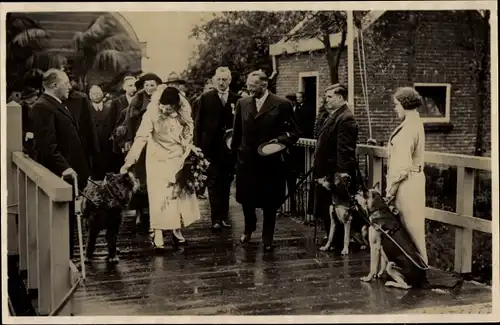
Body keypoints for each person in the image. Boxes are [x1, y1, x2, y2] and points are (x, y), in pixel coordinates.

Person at [120, 85, 201, 249]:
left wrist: (187, 147)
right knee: (159, 194)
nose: (164, 110)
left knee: (177, 193)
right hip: (157, 156)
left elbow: (188, 130)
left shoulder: (183, 110)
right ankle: (157, 232)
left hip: (177, 155)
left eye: (169, 108)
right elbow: (141, 136)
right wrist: (130, 161)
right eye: (163, 107)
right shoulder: (152, 112)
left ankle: (177, 230)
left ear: (176, 106)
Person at [231, 70, 301, 252]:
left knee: (270, 202)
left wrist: (280, 142)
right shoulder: (242, 103)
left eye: (252, 85)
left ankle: (267, 237)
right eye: (248, 85)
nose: (249, 88)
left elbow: (295, 132)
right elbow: (236, 132)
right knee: (247, 200)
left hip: (270, 162)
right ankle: (248, 228)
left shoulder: (282, 104)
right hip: (246, 161)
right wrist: (234, 158)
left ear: (264, 85)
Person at [31, 69, 92, 258]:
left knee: (69, 220)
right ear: (55, 85)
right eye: (66, 83)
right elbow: (47, 144)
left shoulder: (58, 104)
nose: (70, 86)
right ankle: (63, 261)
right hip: (61, 174)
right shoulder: (43, 106)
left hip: (71, 172)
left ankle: (68, 259)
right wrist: (64, 167)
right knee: (62, 221)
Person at [194, 67, 241, 231]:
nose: (221, 83)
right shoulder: (205, 98)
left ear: (230, 80)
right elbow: (198, 124)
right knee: (213, 184)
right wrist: (198, 148)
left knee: (226, 184)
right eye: (219, 80)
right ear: (214, 80)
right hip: (211, 150)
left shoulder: (238, 99)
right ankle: (215, 219)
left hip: (229, 150)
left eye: (225, 80)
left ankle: (223, 217)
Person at [312, 84, 358, 250]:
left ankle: (338, 242)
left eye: (330, 97)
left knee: (339, 208)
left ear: (340, 97)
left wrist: (341, 175)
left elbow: (344, 150)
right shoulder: (333, 115)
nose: (326, 100)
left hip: (335, 173)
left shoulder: (346, 118)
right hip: (326, 172)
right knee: (327, 207)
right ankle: (332, 240)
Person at [386, 87, 428, 264]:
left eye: (396, 105)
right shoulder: (415, 122)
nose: (395, 108)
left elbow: (402, 166)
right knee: (412, 226)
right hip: (414, 180)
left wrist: (390, 191)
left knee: (410, 227)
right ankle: (417, 266)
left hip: (407, 183)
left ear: (404, 105)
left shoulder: (408, 128)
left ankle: (418, 268)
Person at [123, 72, 163, 232]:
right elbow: (129, 122)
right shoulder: (137, 100)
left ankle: (156, 215)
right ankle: (140, 212)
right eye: (146, 85)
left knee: (157, 179)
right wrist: (129, 140)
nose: (149, 88)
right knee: (141, 179)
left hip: (157, 144)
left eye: (152, 85)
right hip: (141, 143)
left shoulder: (162, 98)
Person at [88, 85, 121, 180]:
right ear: (89, 96)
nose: (96, 96)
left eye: (98, 93)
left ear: (102, 94)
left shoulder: (110, 108)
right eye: (93, 94)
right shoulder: (87, 110)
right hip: (94, 145)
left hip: (108, 143)